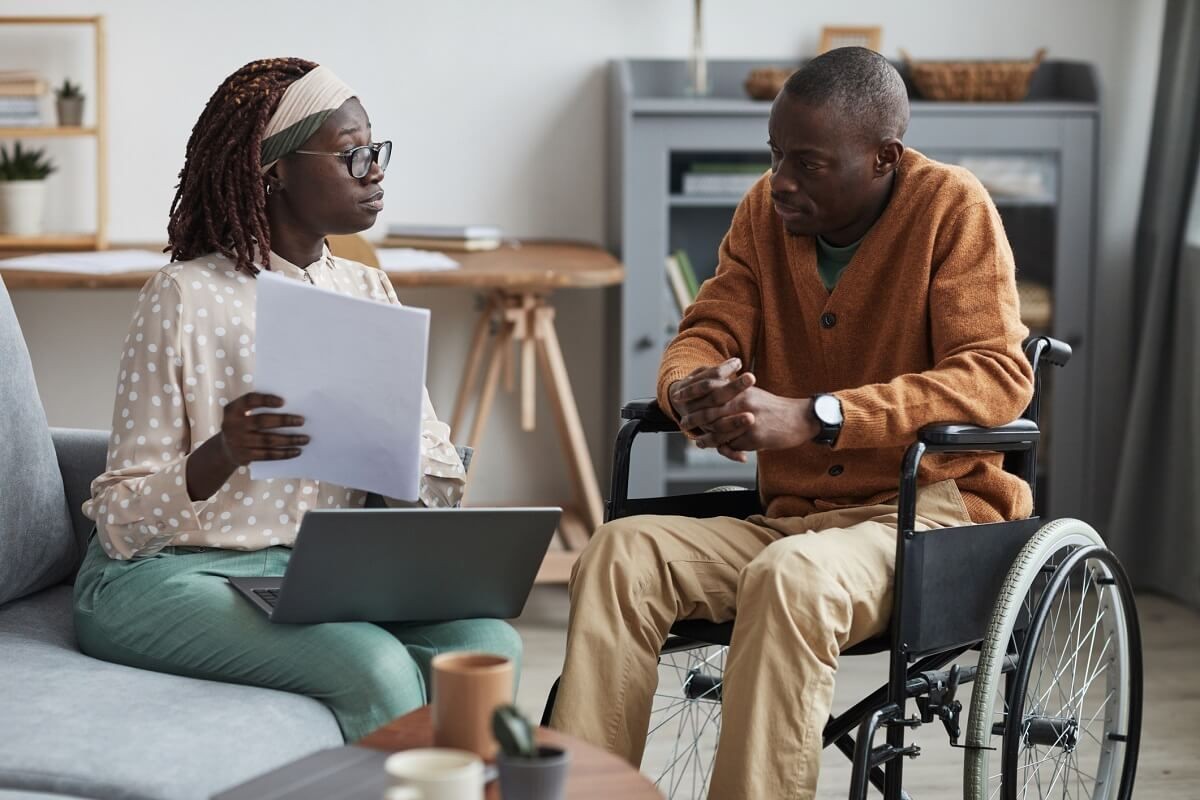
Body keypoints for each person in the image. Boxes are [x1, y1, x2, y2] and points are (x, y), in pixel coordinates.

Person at [549, 47, 1034, 799]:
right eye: (776, 155)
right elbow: (708, 327)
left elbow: (997, 377)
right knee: (618, 552)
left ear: (882, 158)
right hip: (794, 519)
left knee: (789, 576)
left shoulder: (951, 207)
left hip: (926, 519)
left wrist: (820, 417)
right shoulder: (763, 214)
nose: (781, 181)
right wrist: (691, 391)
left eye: (807, 163)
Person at [74, 58, 521, 742]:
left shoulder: (367, 291)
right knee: (370, 663)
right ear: (275, 169)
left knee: (491, 645)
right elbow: (120, 524)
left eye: (376, 151)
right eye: (352, 155)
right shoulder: (184, 296)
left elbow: (436, 483)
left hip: (319, 569)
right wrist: (224, 452)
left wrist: (399, 457)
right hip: (170, 577)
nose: (375, 172)